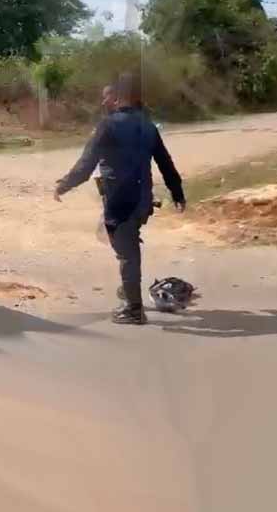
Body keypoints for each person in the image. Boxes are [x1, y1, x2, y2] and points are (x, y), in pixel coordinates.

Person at [53, 72, 186, 325]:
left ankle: (134, 309)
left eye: (107, 97)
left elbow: (86, 163)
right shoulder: (148, 125)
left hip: (120, 201)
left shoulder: (108, 125)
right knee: (124, 243)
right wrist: (177, 192)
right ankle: (129, 289)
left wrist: (63, 185)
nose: (103, 102)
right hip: (143, 201)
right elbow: (165, 162)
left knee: (127, 253)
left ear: (118, 98)